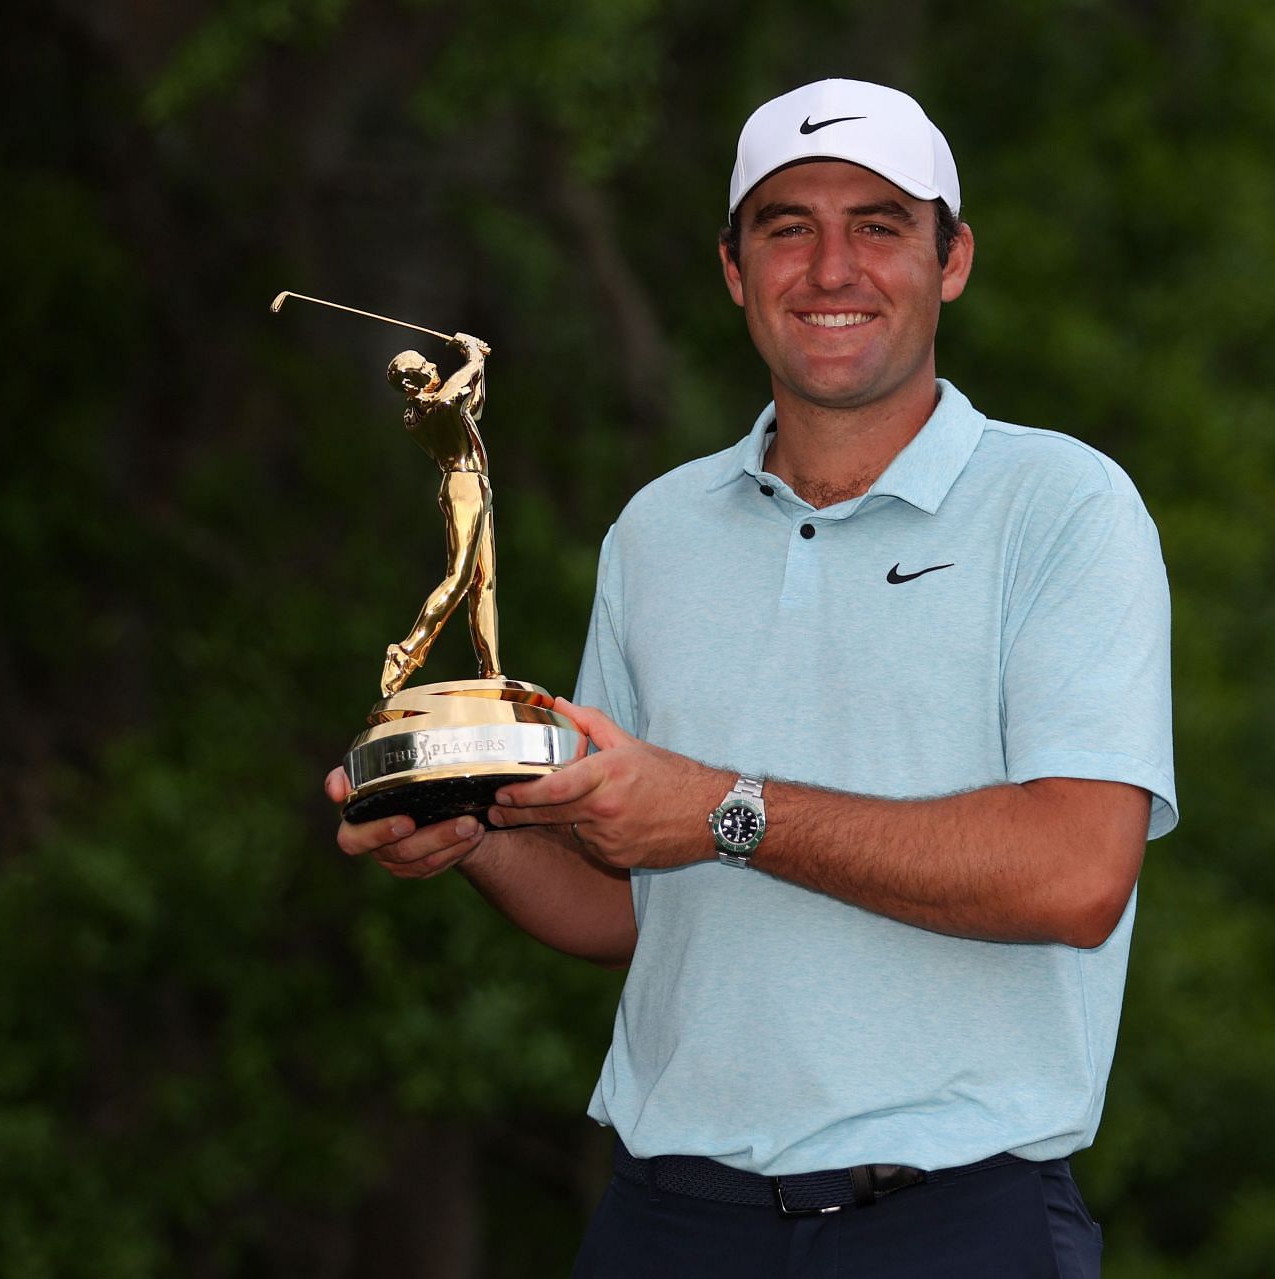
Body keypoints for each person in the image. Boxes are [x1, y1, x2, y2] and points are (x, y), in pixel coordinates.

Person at [327, 78, 1177, 1277]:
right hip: (668, 1219)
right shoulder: (657, 531)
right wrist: (480, 840)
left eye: (878, 225)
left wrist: (727, 810)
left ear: (954, 260)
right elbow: (638, 904)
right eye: (789, 227)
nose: (832, 268)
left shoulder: (1065, 507)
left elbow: (1078, 871)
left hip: (952, 1222)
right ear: (735, 268)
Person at [378, 333, 501, 696]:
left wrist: (479, 362)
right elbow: (455, 392)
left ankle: (491, 670)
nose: (432, 366)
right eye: (423, 367)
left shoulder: (433, 405)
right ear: (409, 383)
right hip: (463, 487)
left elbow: (473, 402)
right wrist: (474, 355)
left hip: (477, 486)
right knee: (460, 578)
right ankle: (406, 652)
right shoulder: (428, 410)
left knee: (485, 583)